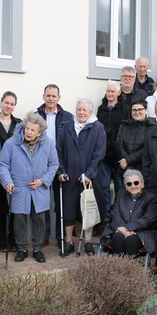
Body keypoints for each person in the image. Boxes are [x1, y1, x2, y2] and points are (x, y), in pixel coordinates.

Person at [0, 112, 59, 263]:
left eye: (33, 130)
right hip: (19, 187)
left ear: (40, 132)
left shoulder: (48, 143)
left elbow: (54, 164)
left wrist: (43, 180)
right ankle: (22, 248)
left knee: (39, 219)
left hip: (38, 188)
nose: (29, 132)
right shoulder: (12, 143)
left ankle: (37, 248)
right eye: (27, 129)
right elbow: (3, 164)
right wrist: (7, 181)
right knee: (19, 218)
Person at [57, 99, 106, 256]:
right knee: (69, 209)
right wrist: (61, 171)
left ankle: (88, 242)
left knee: (88, 209)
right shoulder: (66, 126)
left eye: (84, 110)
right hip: (69, 176)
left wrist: (89, 173)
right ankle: (69, 241)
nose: (81, 112)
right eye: (79, 109)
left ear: (90, 112)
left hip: (89, 177)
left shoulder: (98, 128)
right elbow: (59, 151)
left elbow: (99, 153)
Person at [36, 84, 74, 247]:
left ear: (59, 98)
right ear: (43, 97)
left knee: (60, 203)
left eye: (54, 96)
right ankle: (43, 235)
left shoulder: (68, 117)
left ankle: (60, 236)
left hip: (59, 165)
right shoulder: (36, 116)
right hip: (40, 165)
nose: (51, 98)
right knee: (42, 202)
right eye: (48, 95)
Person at [0, 91, 22, 251]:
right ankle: (0, 241)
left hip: (16, 172)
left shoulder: (20, 124)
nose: (9, 106)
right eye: (6, 102)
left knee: (15, 208)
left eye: (12, 104)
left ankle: (14, 240)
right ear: (1, 102)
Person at [107, 169, 157, 256]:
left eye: (136, 183)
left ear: (142, 184)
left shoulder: (151, 198)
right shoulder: (120, 195)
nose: (133, 186)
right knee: (117, 237)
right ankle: (117, 267)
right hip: (120, 230)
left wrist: (127, 228)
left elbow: (148, 219)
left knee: (130, 240)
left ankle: (130, 268)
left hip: (142, 233)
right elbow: (115, 214)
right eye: (129, 184)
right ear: (126, 186)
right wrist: (123, 230)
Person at [97, 80, 131, 219]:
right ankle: (105, 218)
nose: (110, 94)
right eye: (108, 91)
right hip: (104, 156)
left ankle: (118, 218)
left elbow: (127, 131)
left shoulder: (125, 108)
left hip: (119, 156)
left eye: (113, 91)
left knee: (120, 188)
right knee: (104, 187)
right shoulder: (101, 109)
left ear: (119, 92)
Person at [116, 99, 157, 172]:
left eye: (140, 109)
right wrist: (125, 161)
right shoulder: (124, 125)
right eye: (134, 110)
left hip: (144, 168)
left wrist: (128, 160)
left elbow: (147, 148)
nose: (137, 112)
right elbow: (119, 145)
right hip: (124, 167)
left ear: (146, 110)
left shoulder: (153, 127)